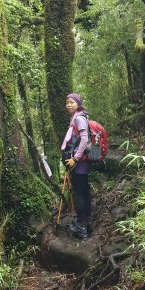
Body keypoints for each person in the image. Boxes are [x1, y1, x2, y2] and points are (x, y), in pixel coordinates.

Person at [61, 93, 92, 239]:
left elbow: (84, 140)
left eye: (72, 102)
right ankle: (87, 222)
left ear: (78, 104)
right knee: (84, 191)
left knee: (79, 193)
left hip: (79, 162)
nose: (68, 105)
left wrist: (75, 158)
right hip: (82, 162)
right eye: (67, 102)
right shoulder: (80, 116)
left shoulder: (79, 118)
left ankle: (81, 226)